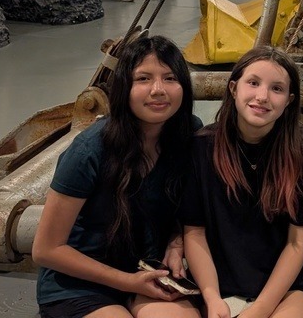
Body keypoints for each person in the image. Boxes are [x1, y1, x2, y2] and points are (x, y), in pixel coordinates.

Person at [33, 35, 202, 318]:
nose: (158, 90)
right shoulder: (91, 149)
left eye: (170, 78)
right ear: (125, 87)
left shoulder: (187, 134)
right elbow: (46, 249)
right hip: (81, 282)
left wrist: (176, 240)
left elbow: (184, 205)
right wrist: (127, 281)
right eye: (144, 79)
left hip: (148, 271)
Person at [175, 46, 303, 318]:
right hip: (218, 283)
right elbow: (194, 233)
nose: (262, 97)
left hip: (288, 288)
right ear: (233, 88)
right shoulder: (201, 148)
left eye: (276, 89)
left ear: (289, 100)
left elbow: (298, 244)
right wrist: (212, 298)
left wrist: (261, 308)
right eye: (253, 83)